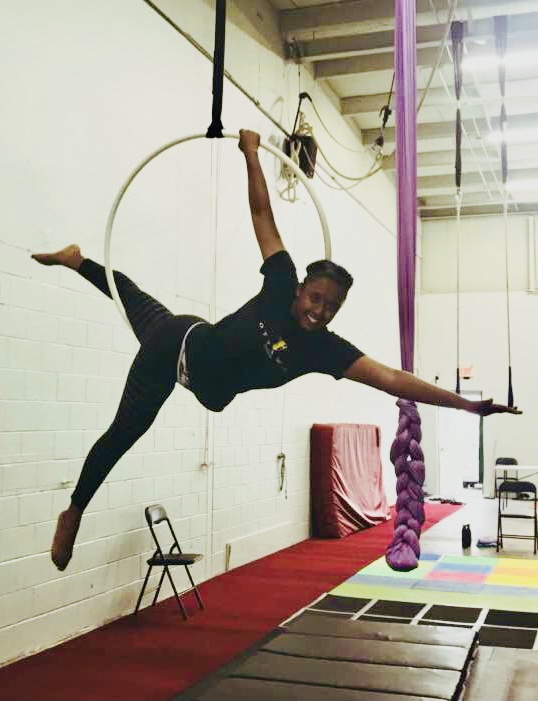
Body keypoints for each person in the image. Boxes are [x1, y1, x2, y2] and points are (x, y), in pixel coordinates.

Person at [32, 129, 521, 571]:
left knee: (139, 306)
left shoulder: (323, 350)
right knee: (125, 430)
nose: (319, 312)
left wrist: (466, 406)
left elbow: (391, 379)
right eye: (315, 298)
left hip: (197, 355)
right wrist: (250, 153)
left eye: (331, 307)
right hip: (177, 352)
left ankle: (79, 262)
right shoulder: (280, 280)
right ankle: (74, 511)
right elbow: (262, 214)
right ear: (299, 288)